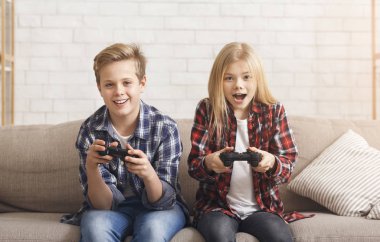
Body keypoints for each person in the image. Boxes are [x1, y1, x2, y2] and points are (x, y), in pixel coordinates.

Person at [61, 43, 188, 242]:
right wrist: (92, 168)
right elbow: (103, 205)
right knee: (95, 227)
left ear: (142, 83)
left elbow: (162, 201)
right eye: (109, 84)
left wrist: (148, 173)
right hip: (113, 209)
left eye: (127, 82)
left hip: (160, 208)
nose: (119, 91)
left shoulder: (165, 127)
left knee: (153, 230)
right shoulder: (90, 131)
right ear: (99, 88)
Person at [188, 42, 306, 242]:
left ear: (257, 79)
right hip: (217, 208)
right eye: (229, 78)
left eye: (246, 77)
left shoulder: (274, 111)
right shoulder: (207, 110)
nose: (238, 85)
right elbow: (193, 167)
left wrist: (272, 163)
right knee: (219, 235)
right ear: (218, 81)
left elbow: (287, 168)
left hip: (262, 208)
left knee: (280, 237)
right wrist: (209, 163)